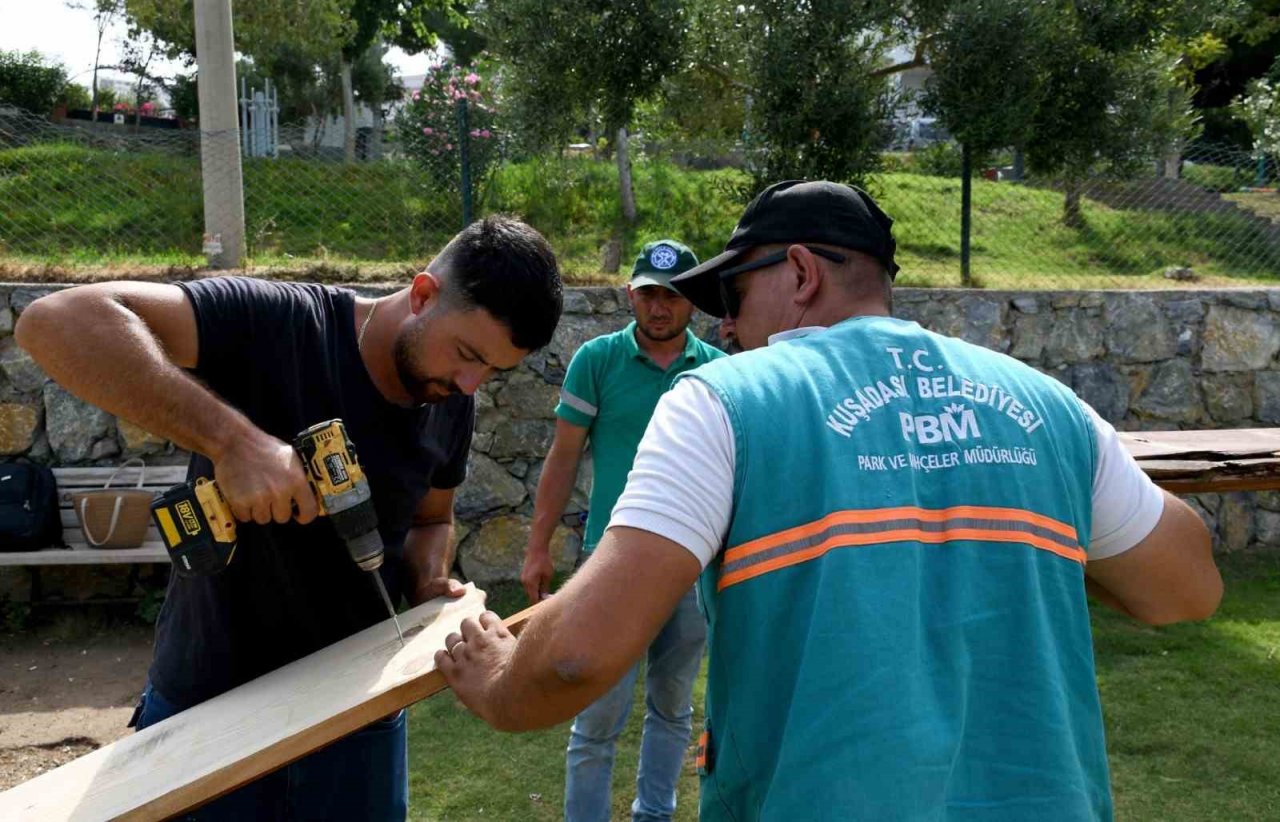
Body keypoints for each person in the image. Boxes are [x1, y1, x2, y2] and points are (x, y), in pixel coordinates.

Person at [435, 182, 1223, 821]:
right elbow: (1188, 588)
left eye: (735, 296)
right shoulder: (1047, 406)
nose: (729, 325)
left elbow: (577, 655)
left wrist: (502, 682)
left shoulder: (723, 401)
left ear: (802, 273)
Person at [14, 215, 562, 821]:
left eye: (491, 371)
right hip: (209, 706)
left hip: (359, 719)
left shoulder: (450, 401)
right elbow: (53, 322)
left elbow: (433, 519)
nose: (469, 383)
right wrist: (235, 442)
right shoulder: (276, 322)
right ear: (423, 295)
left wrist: (429, 581)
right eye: (467, 355)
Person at [521, 239, 724, 822]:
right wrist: (537, 547)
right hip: (608, 563)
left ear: (693, 303)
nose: (659, 307)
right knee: (597, 713)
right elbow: (563, 458)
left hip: (693, 564)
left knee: (673, 703)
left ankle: (653, 815)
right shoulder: (597, 360)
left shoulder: (718, 371)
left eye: (673, 295)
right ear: (630, 295)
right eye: (648, 294)